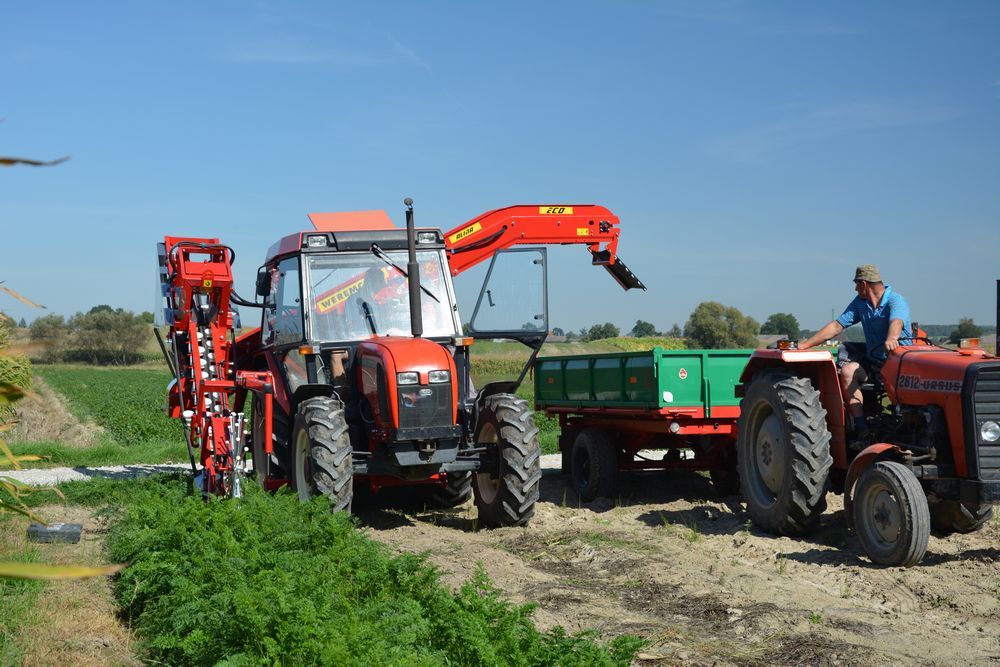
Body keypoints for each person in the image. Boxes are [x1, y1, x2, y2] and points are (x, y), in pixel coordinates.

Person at [798, 264, 912, 438]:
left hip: (899, 363)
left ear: (864, 284)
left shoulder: (895, 300)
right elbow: (837, 326)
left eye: (856, 284)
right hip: (875, 363)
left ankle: (905, 424)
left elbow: (896, 322)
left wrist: (891, 338)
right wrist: (805, 345)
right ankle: (862, 427)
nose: (855, 288)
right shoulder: (861, 303)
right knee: (847, 371)